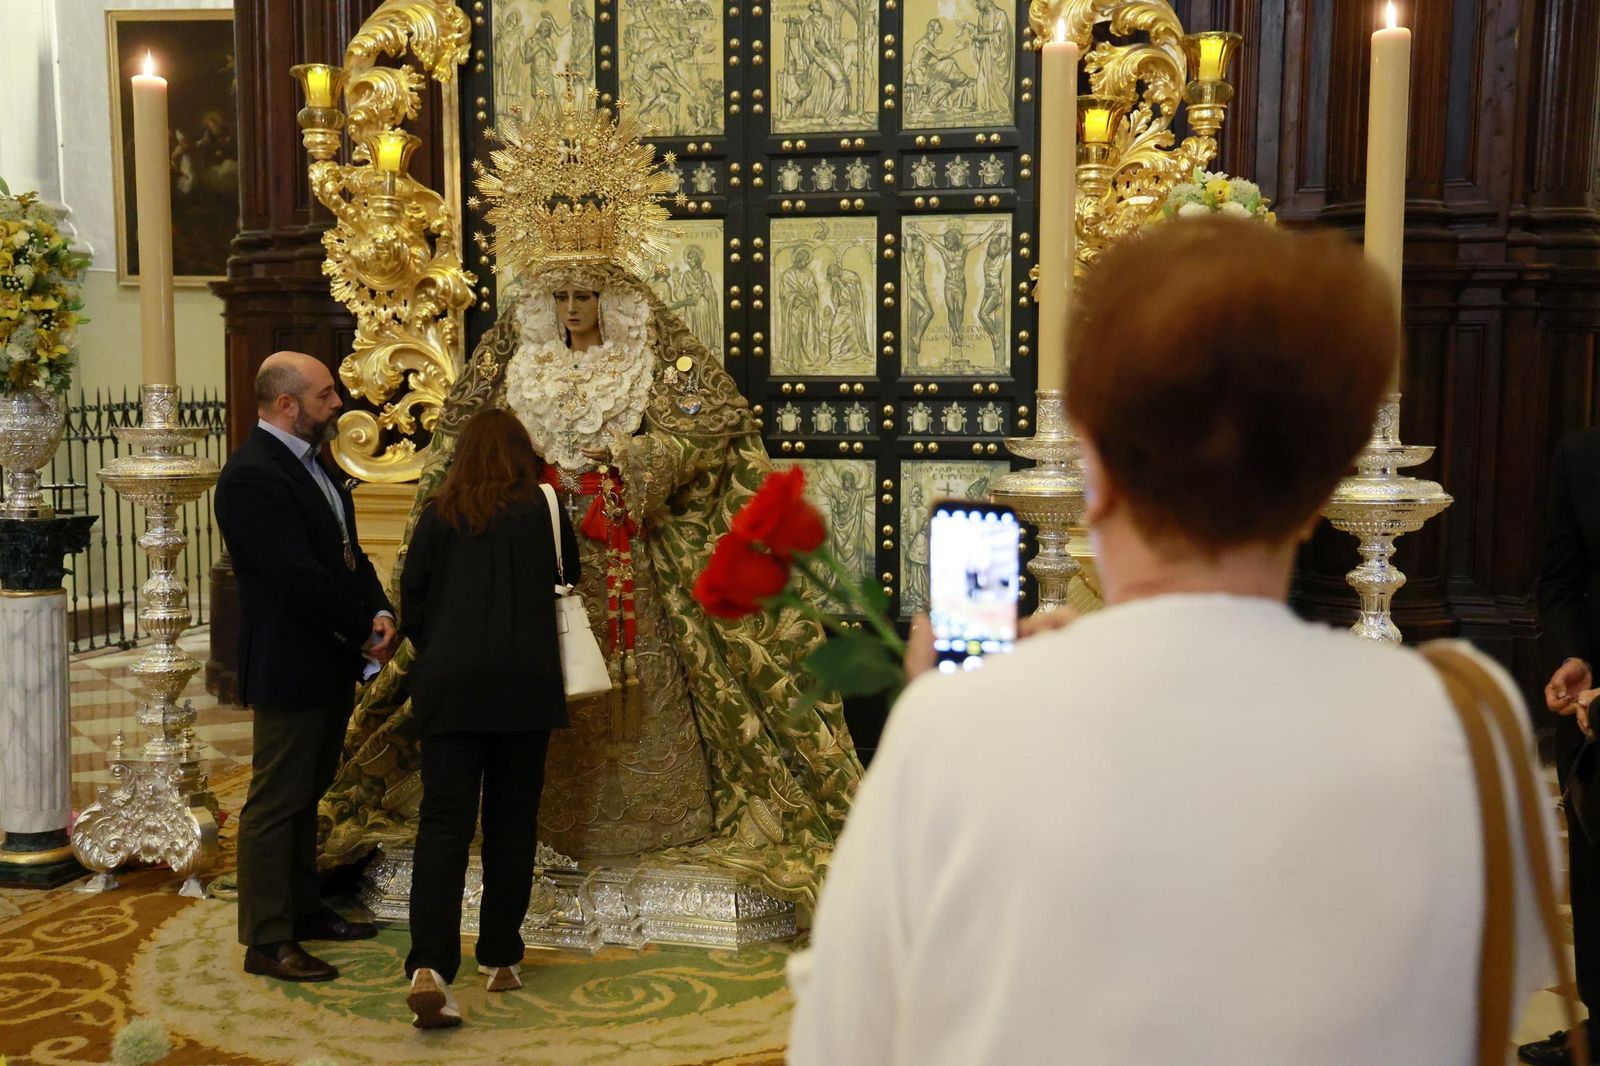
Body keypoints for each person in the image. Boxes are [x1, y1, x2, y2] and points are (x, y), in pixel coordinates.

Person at [788, 220, 1559, 1064]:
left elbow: (843, 1042)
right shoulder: (1469, 726)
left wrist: (961, 710)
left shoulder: (954, 729)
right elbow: (1492, 994)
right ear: (1317, 493)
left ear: (1097, 471)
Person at [317, 254, 862, 904]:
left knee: (626, 682)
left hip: (622, 553)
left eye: (585, 295)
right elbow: (470, 439)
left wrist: (636, 458)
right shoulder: (516, 361)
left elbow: (707, 432)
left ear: (611, 301)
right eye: (563, 297)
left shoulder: (653, 362)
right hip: (522, 559)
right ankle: (527, 835)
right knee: (528, 696)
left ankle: (650, 822)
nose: (572, 309)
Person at [214, 351, 396, 983]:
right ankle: (267, 938)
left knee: (306, 792)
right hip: (291, 660)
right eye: (325, 396)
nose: (338, 404)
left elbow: (348, 553)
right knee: (275, 802)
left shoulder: (313, 463)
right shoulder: (251, 476)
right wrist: (358, 629)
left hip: (327, 655)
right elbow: (295, 578)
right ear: (286, 404)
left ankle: (302, 909)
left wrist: (379, 609)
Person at [400, 409, 580, 1030]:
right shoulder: (545, 509)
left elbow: (411, 601)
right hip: (524, 685)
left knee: (444, 825)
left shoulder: (438, 514)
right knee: (512, 823)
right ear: (521, 454)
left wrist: (447, 647)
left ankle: (428, 964)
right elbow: (570, 578)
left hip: (449, 686)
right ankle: (501, 956)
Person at [1525, 430, 1600, 1065]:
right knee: (1595, 860)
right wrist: (1577, 656)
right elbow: (1561, 580)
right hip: (1593, 704)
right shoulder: (1580, 454)